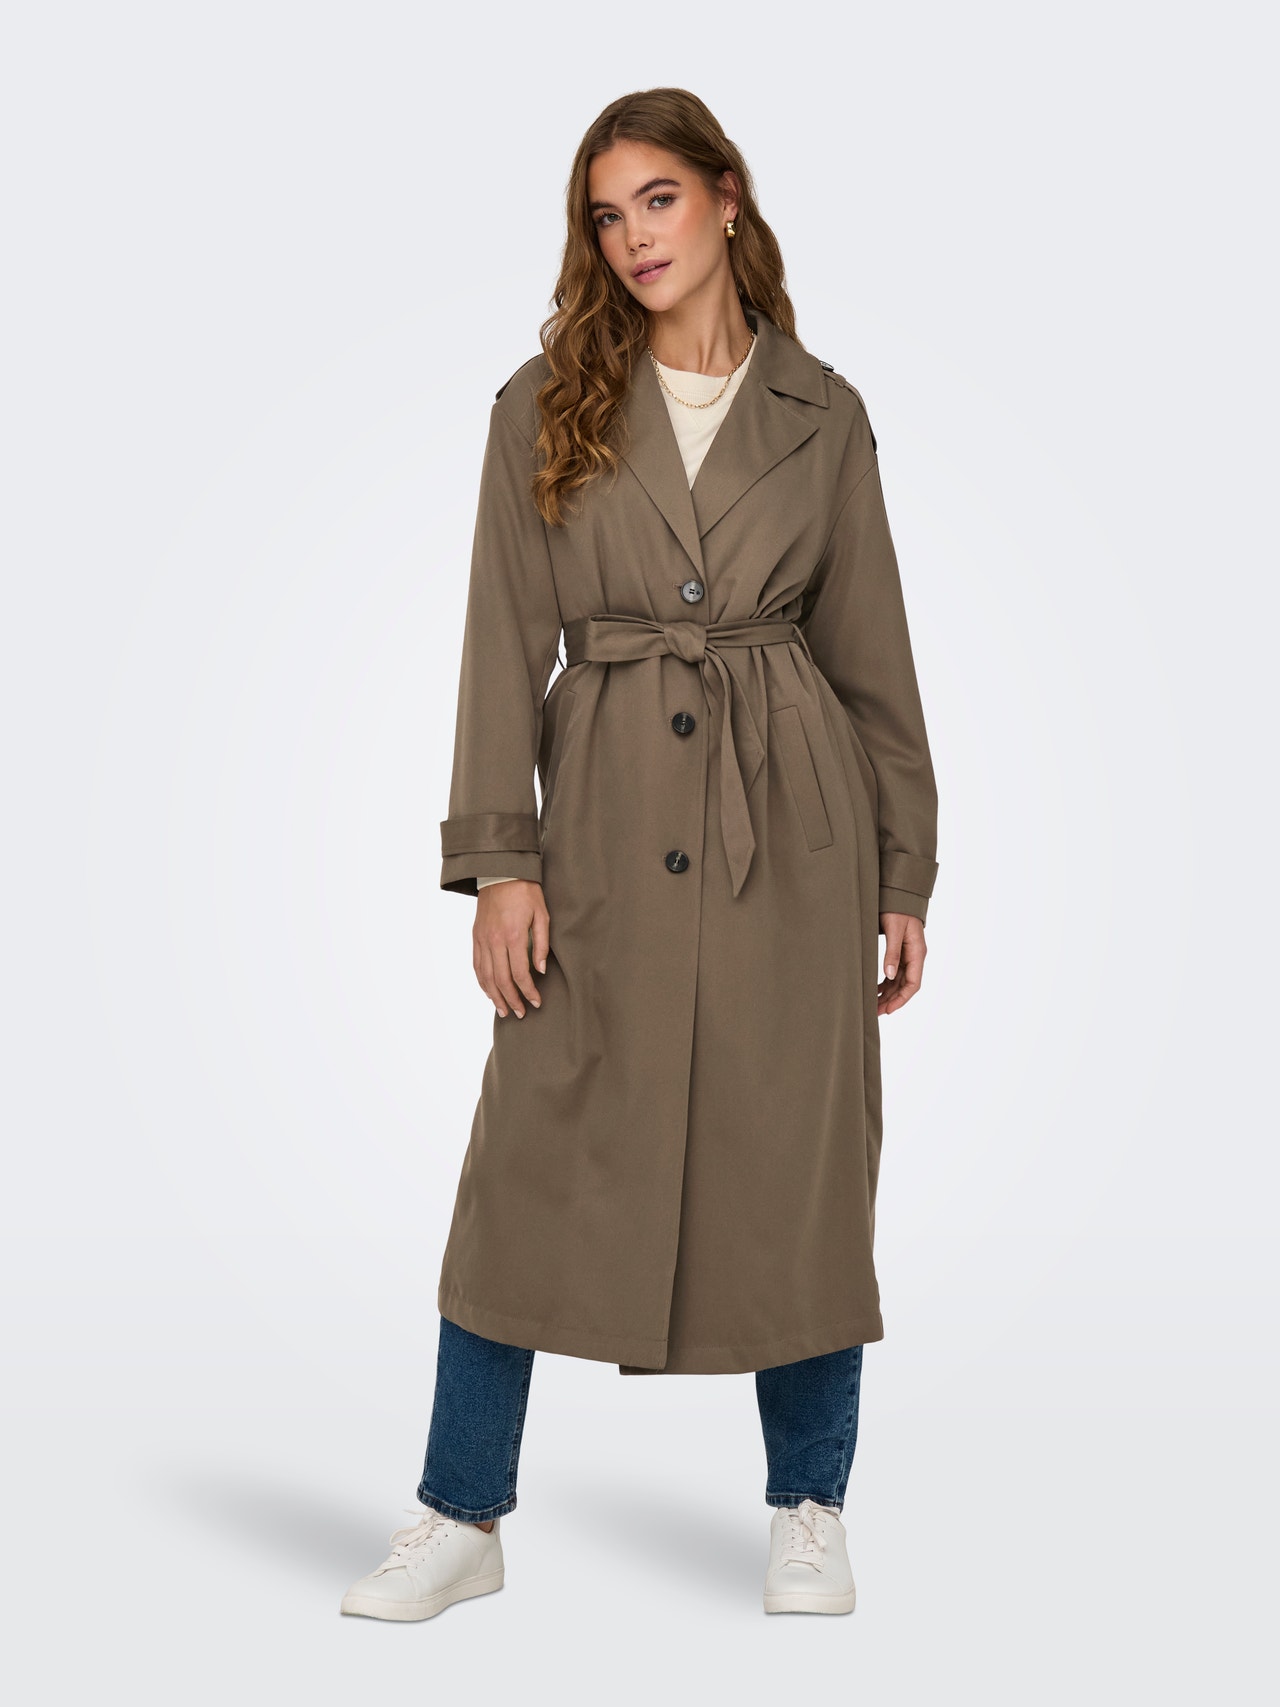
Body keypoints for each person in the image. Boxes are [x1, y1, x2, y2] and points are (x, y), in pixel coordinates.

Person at [341, 86, 938, 1623]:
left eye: (658, 199)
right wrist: (502, 863)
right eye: (606, 216)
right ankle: (460, 1515)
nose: (633, 238)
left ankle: (810, 1508)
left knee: (801, 1166)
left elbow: (873, 658)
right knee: (524, 1168)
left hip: (790, 833)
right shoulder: (545, 403)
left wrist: (901, 876)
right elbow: (499, 642)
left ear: (728, 197)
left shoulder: (824, 414)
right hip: (600, 828)